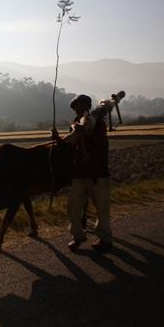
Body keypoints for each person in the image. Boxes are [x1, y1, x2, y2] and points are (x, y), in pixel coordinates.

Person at [52, 94, 115, 252]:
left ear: (87, 106)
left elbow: (100, 146)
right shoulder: (74, 125)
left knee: (102, 208)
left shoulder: (98, 123)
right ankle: (77, 236)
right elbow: (69, 145)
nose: (78, 109)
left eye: (81, 106)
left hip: (98, 173)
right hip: (79, 173)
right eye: (76, 107)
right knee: (73, 207)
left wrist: (84, 133)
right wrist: (58, 140)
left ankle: (105, 239)